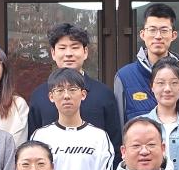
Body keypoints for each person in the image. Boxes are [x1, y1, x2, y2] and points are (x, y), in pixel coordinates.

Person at [26, 23, 122, 159]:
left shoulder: (103, 94)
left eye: (75, 47)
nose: (68, 54)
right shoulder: (40, 95)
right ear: (53, 53)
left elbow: (115, 145)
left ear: (85, 52)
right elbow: (31, 146)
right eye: (62, 48)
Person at [30, 68, 113, 170]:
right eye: (60, 90)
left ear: (83, 94)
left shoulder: (99, 137)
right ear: (51, 97)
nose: (66, 96)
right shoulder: (40, 136)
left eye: (72, 89)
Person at [113, 3, 179, 122]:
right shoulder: (124, 76)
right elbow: (120, 126)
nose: (158, 36)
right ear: (142, 34)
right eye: (152, 30)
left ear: (173, 35)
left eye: (164, 30)